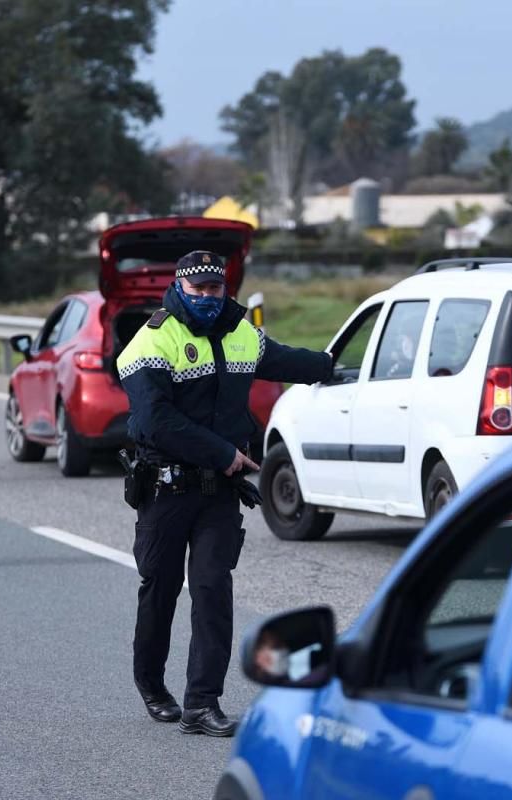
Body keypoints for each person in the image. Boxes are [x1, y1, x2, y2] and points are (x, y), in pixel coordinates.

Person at [117, 250, 333, 737]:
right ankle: (152, 684)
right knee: (161, 590)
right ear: (180, 288)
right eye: (200, 291)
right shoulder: (150, 340)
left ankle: (201, 703)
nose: (209, 298)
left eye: (216, 289)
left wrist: (333, 365)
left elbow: (285, 361)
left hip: (218, 493)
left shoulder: (242, 334)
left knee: (213, 589)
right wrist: (223, 452)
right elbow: (156, 421)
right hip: (166, 489)